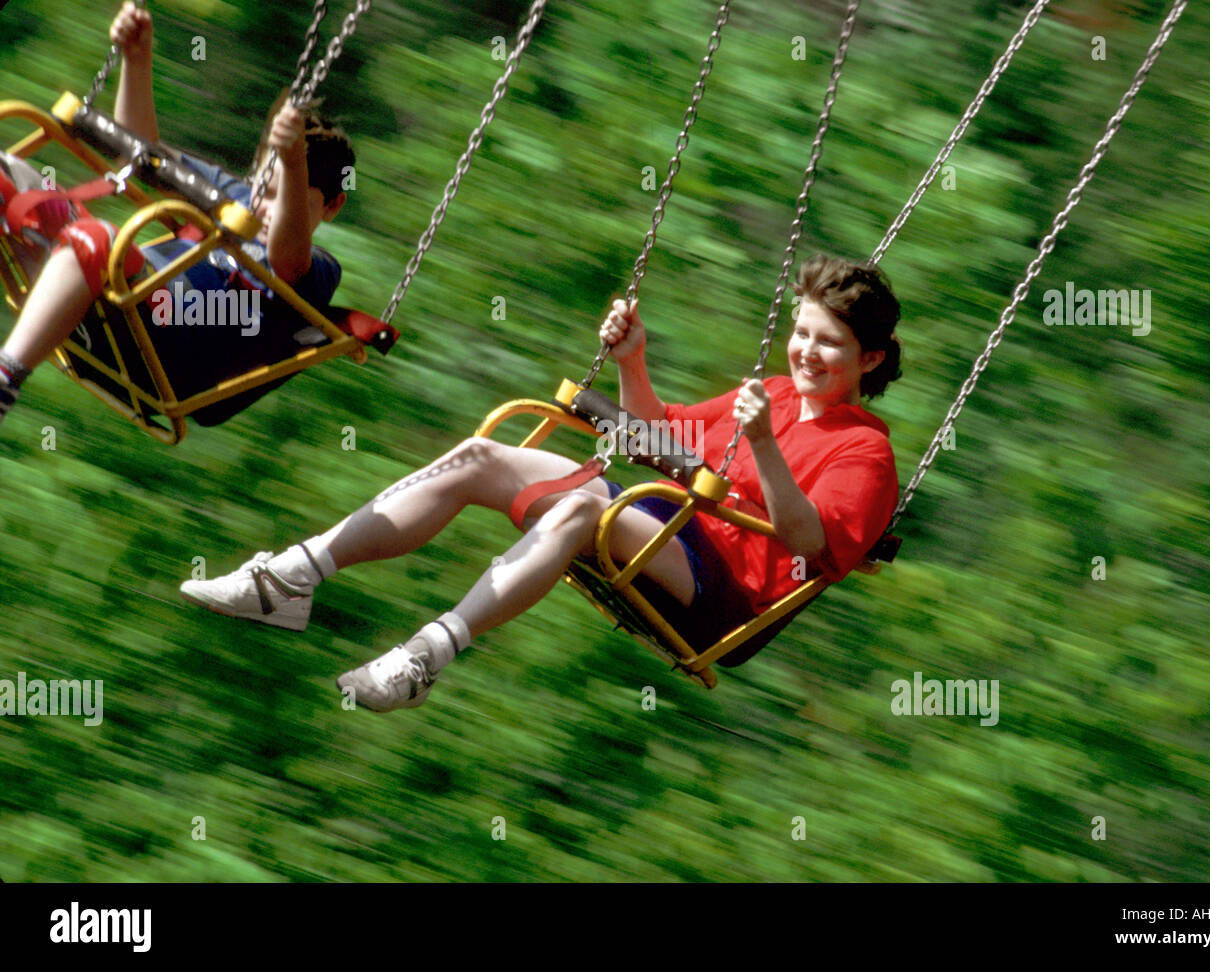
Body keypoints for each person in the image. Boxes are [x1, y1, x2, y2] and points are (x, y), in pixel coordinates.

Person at [179, 254, 902, 712]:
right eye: (802, 332)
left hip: (723, 596)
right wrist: (632, 358)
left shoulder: (865, 456)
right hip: (664, 527)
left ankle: (425, 655)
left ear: (868, 360)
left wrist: (765, 442)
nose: (806, 351)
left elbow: (805, 540)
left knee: (587, 512)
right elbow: (660, 432)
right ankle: (292, 578)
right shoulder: (770, 388)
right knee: (479, 455)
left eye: (828, 343)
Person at [0, 1, 355, 429]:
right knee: (8, 176)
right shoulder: (231, 196)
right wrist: (137, 59)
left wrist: (295, 164)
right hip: (113, 291)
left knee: (98, 240)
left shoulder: (319, 270)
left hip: (161, 338)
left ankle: (6, 376)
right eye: (267, 188)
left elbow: (287, 257)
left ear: (332, 206)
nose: (264, 206)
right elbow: (140, 151)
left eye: (290, 197)